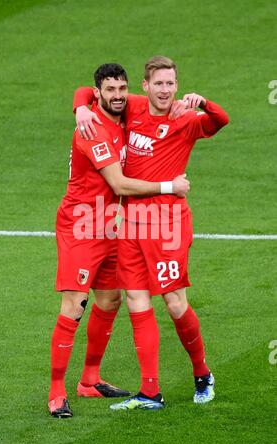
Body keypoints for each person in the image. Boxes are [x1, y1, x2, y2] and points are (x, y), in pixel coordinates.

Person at [73, 56, 229, 410]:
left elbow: (221, 121)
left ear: (177, 85)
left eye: (170, 83)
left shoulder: (186, 119)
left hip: (169, 226)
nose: (165, 90)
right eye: (158, 83)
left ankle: (202, 373)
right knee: (136, 301)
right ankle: (150, 392)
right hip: (130, 225)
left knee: (175, 303)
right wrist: (80, 108)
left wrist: (203, 102)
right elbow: (90, 90)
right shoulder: (134, 107)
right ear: (145, 86)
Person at [49, 63, 190, 418]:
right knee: (74, 307)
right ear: (99, 93)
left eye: (121, 89)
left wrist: (177, 104)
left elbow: (89, 90)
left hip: (113, 224)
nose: (116, 96)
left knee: (110, 299)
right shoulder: (92, 129)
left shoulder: (124, 110)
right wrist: (170, 187)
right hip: (82, 225)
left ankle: (90, 379)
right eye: (108, 90)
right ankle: (56, 392)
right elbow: (120, 185)